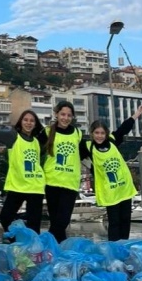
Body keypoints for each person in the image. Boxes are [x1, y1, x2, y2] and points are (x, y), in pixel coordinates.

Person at [79, 104, 142, 241]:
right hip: (109, 191)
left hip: (124, 187)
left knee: (125, 220)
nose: (99, 136)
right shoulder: (88, 146)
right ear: (92, 133)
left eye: (102, 133)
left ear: (106, 133)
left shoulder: (112, 140)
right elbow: (73, 152)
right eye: (96, 133)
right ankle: (114, 249)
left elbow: (123, 129)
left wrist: (137, 114)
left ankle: (124, 248)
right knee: (114, 222)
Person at [41, 101, 82, 242]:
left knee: (62, 221)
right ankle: (59, 254)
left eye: (69, 115)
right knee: (57, 223)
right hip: (52, 182)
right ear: (56, 114)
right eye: (63, 114)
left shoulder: (77, 133)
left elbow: (85, 154)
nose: (65, 118)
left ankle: (44, 245)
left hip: (70, 183)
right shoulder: (46, 132)